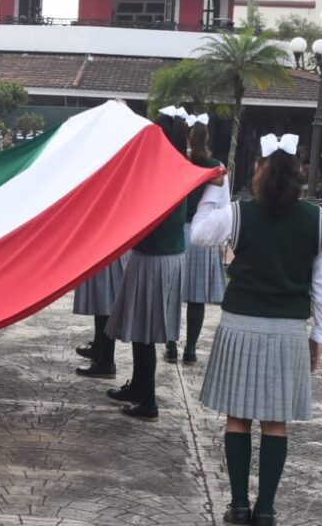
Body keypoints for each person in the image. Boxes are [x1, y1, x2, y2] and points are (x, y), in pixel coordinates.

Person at [191, 133, 322, 526]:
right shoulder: (319, 220)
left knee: (237, 418)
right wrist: (319, 336)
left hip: (240, 326)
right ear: (301, 172)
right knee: (276, 421)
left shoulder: (238, 214)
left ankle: (239, 507)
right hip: (289, 330)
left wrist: (212, 190)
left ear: (258, 169)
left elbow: (198, 233)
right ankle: (267, 510)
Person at [103, 109, 218, 421]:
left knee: (146, 330)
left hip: (156, 256)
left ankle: (148, 400)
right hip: (157, 254)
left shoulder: (166, 168)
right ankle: (139, 387)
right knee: (142, 329)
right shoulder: (175, 164)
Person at [168, 115, 228, 365]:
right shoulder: (218, 167)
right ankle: (190, 350)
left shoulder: (179, 161)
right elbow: (223, 205)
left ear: (188, 137)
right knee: (197, 297)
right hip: (203, 234)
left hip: (178, 232)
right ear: (208, 137)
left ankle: (171, 345)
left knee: (172, 295)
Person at [72, 254, 130, 378]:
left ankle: (106, 361)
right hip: (106, 248)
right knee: (100, 298)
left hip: (110, 249)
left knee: (106, 300)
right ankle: (99, 349)